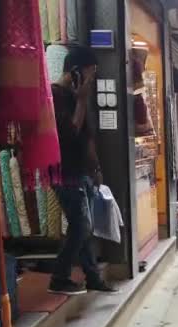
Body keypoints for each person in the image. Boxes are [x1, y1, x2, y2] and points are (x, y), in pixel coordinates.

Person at [48, 46, 116, 295]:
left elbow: (87, 137)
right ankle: (59, 277)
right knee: (82, 226)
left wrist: (96, 168)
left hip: (82, 172)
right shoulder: (55, 95)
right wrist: (82, 99)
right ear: (75, 72)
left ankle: (93, 277)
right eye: (90, 74)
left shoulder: (79, 98)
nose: (92, 80)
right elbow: (70, 132)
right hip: (64, 172)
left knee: (86, 229)